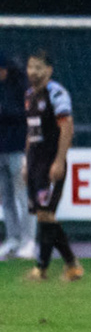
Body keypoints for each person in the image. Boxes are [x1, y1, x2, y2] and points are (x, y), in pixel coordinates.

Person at [23, 51, 81, 281]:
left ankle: (42, 268)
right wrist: (27, 162)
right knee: (43, 215)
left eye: (38, 67)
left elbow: (67, 127)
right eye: (30, 67)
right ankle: (70, 265)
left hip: (50, 161)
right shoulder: (29, 95)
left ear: (49, 70)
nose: (33, 72)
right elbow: (31, 131)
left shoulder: (57, 94)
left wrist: (59, 160)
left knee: (46, 213)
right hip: (35, 162)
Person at [0, 55, 28, 259]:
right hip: (1, 149)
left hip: (18, 148)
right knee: (6, 198)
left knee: (22, 196)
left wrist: (4, 111)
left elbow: (26, 114)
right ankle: (12, 238)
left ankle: (28, 240)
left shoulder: (20, 86)